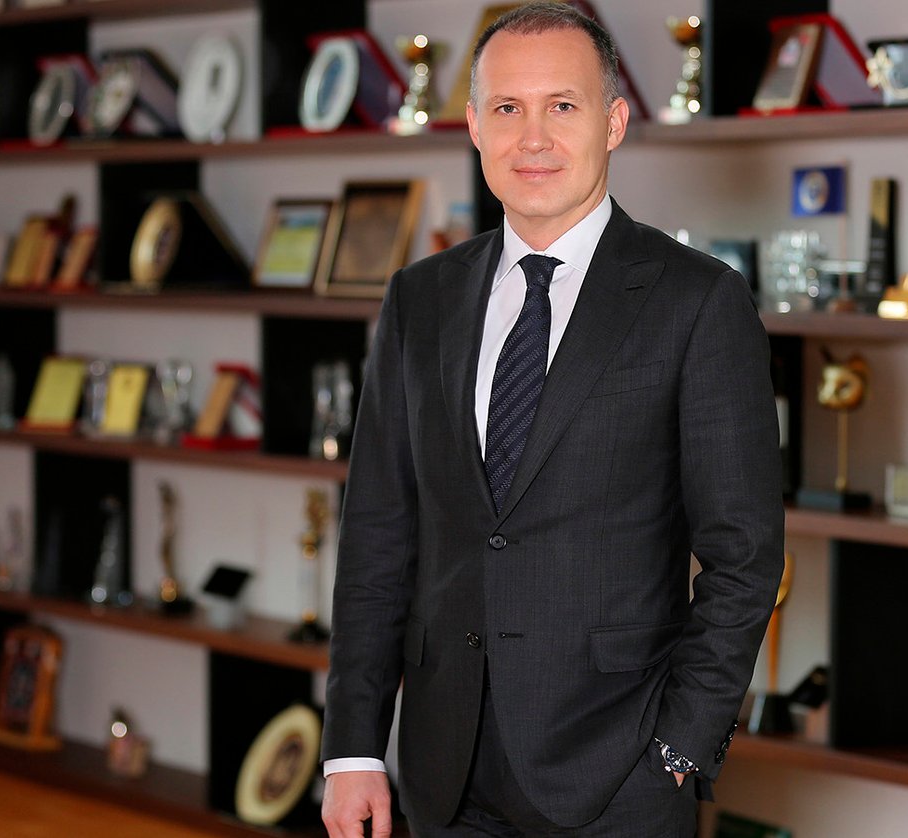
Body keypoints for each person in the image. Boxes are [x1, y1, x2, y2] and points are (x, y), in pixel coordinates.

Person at [319, 4, 784, 837]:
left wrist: (680, 749)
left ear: (613, 123)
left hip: (620, 777)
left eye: (562, 106)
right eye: (508, 108)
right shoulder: (419, 299)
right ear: (474, 126)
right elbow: (376, 539)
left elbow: (744, 556)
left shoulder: (697, 300)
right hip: (443, 771)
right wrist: (353, 750)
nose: (532, 138)